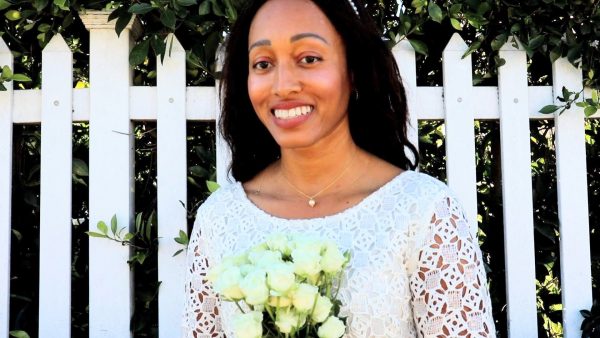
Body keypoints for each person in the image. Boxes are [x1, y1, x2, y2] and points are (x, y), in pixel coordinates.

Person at [183, 0, 496, 336]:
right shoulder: (220, 219)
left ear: (354, 70)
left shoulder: (423, 211)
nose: (283, 85)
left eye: (309, 59)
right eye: (262, 63)